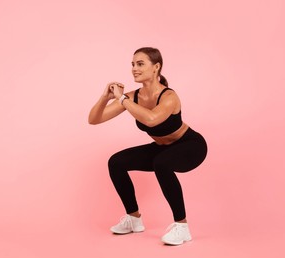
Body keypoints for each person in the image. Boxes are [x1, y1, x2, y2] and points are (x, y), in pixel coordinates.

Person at [88, 47, 207, 245]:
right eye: (133, 64)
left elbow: (152, 119)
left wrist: (122, 99)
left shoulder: (169, 96)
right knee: (116, 162)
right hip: (163, 148)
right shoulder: (132, 97)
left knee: (162, 163)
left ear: (156, 67)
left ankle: (182, 227)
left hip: (190, 146)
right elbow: (94, 119)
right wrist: (105, 98)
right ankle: (134, 219)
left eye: (140, 64)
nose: (134, 68)